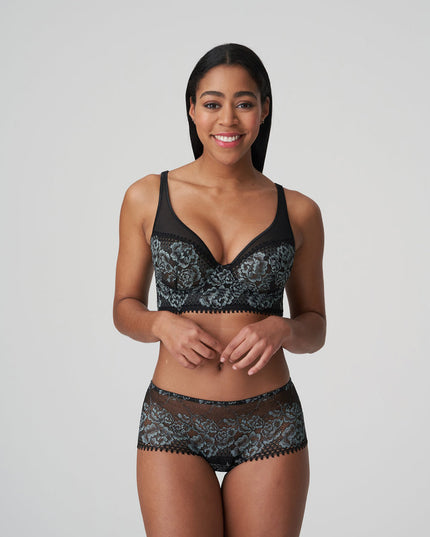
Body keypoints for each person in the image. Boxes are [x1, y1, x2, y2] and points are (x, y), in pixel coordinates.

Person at [113, 43, 326, 537]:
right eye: (212, 103)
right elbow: (124, 308)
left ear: (264, 110)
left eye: (244, 103)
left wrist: (283, 329)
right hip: (172, 423)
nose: (227, 119)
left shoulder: (299, 211)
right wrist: (159, 323)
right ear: (192, 109)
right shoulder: (146, 196)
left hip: (269, 424)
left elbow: (315, 327)